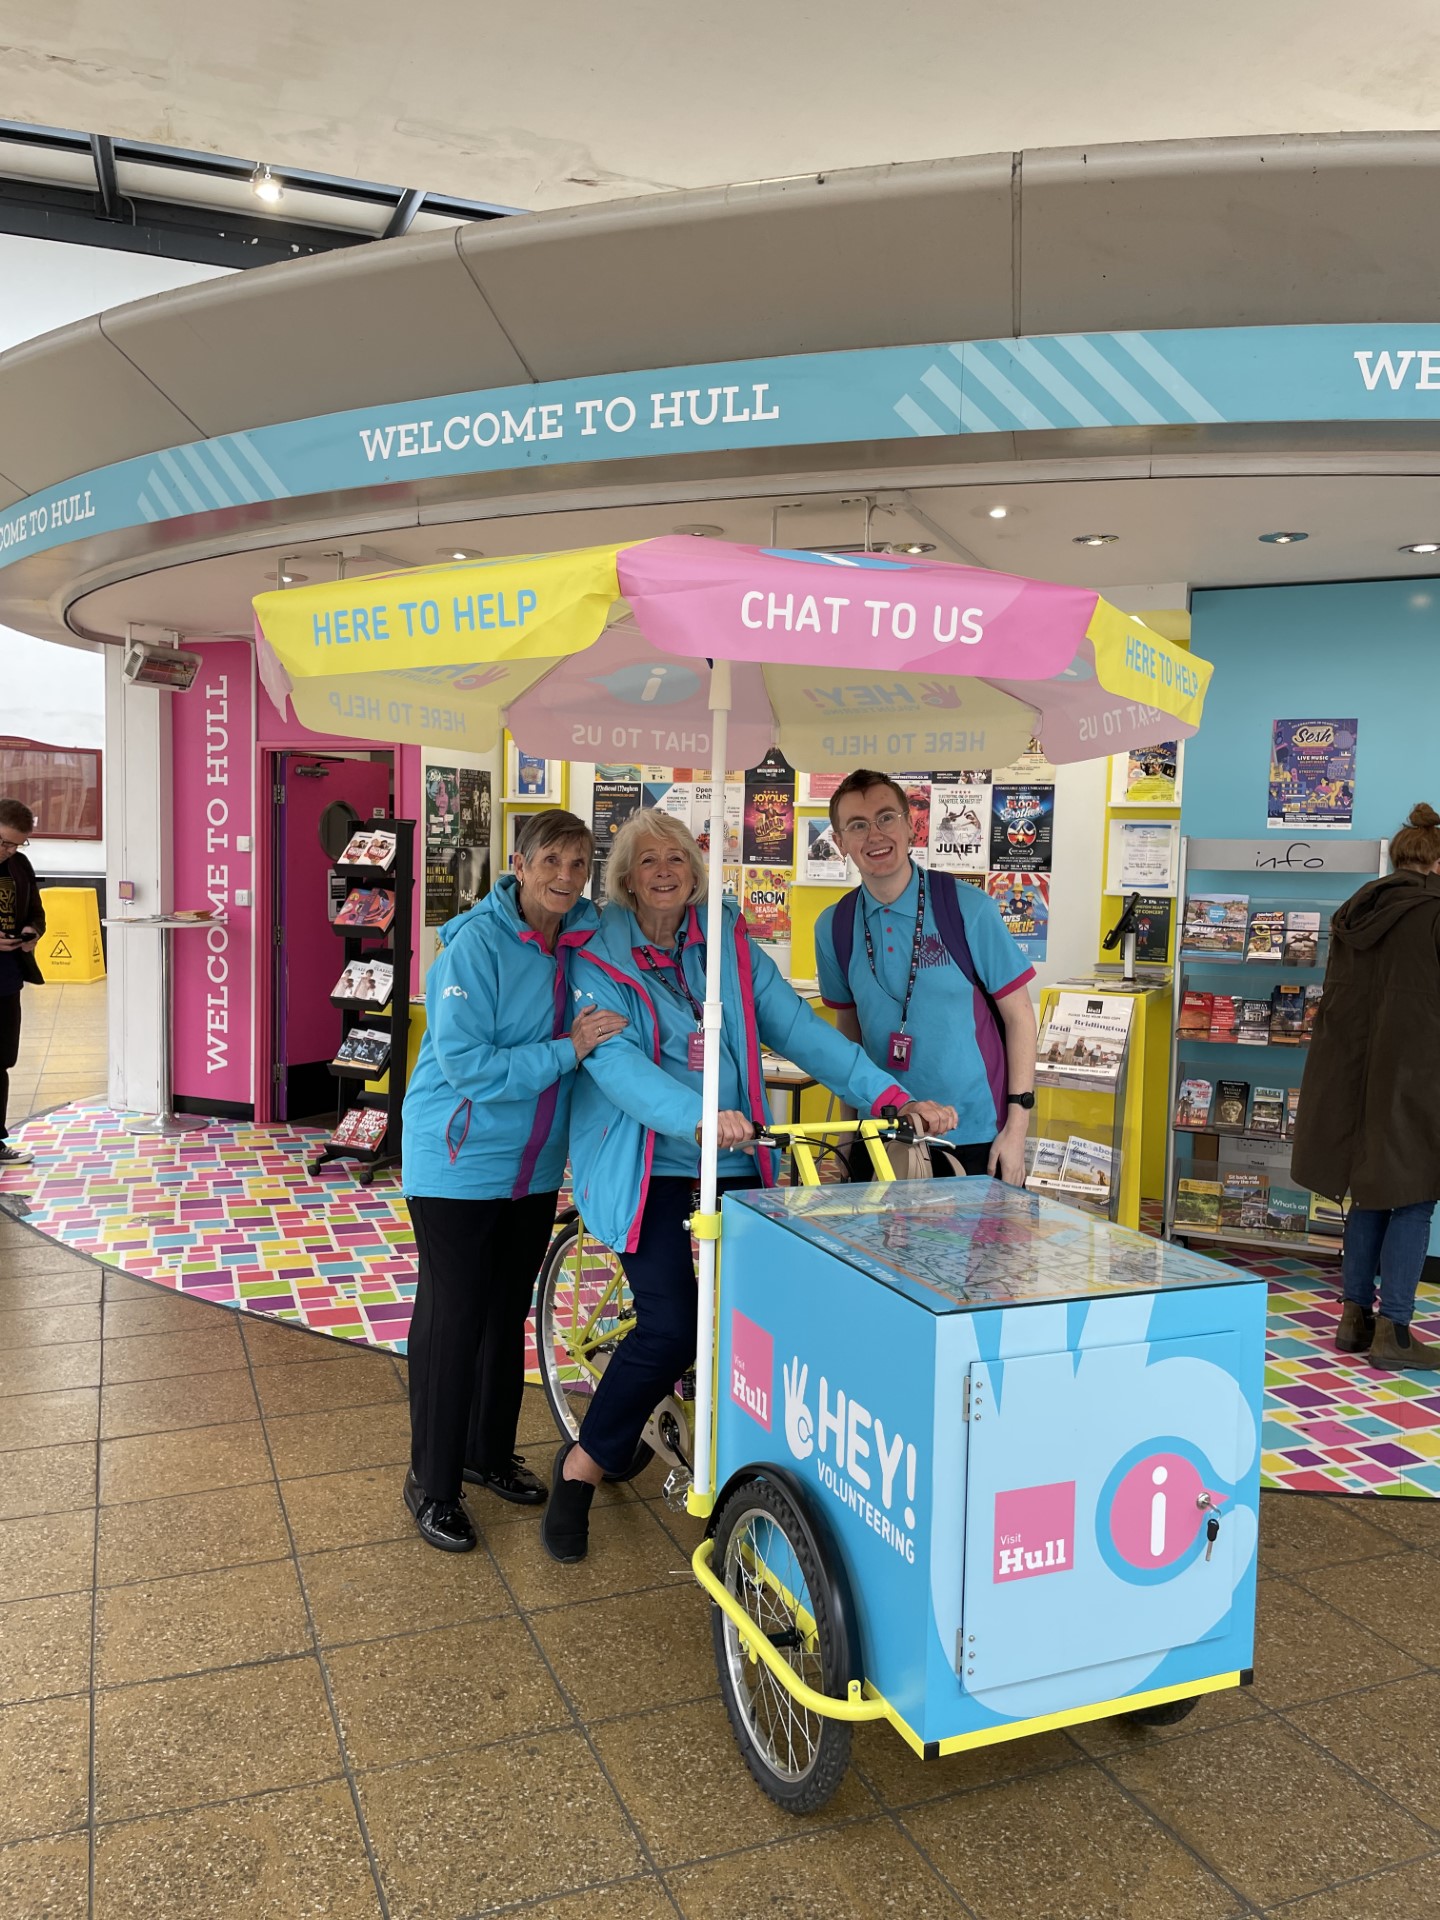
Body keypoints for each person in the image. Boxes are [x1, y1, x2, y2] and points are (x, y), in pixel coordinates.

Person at [542, 809, 956, 1563]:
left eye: (677, 858)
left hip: (737, 1159)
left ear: (696, 872)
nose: (664, 872)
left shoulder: (726, 943)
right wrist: (698, 1118)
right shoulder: (596, 954)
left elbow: (800, 1030)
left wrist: (889, 1096)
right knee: (672, 1325)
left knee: (768, 1317)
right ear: (625, 878)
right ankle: (581, 1468)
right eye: (647, 861)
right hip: (649, 1164)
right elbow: (617, 1066)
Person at [400, 809, 625, 1552]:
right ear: (520, 865)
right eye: (551, 860)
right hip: (457, 1163)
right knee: (453, 1319)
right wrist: (566, 1050)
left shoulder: (584, 935)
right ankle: (432, 1483)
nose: (566, 876)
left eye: (579, 863)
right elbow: (466, 1066)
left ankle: (487, 1453)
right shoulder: (475, 944)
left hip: (532, 1167)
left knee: (504, 1316)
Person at [813, 771, 1038, 1183]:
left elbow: (1020, 1017)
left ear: (911, 827)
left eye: (886, 817)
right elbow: (849, 1035)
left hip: (974, 1134)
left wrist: (1017, 1129)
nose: (875, 835)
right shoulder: (834, 926)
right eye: (857, 825)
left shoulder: (969, 910)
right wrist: (848, 1131)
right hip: (879, 1133)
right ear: (841, 843)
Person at [1291, 801, 1440, 1371]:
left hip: (1350, 1073)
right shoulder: (1435, 915)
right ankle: (1395, 1333)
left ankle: (1354, 1318)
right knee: (1415, 1196)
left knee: (1369, 1190)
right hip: (1417, 1072)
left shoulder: (1353, 912)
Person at [0, 799, 44, 1168]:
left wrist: (32, 931)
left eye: (17, 844)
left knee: (0, 1062)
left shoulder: (20, 865)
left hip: (7, 977)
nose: (9, 851)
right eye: (3, 842)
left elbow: (36, 912)